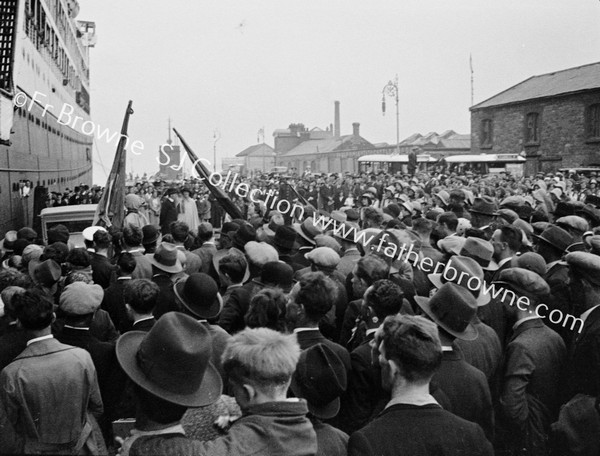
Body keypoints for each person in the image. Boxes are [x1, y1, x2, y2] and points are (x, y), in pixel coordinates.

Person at [121, 326, 317, 456]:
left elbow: (198, 453)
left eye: (234, 389)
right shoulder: (302, 426)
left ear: (248, 392)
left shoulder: (254, 440)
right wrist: (237, 422)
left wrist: (138, 446)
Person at [347, 314, 493, 456]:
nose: (378, 361)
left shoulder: (368, 441)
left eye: (381, 356)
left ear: (392, 369)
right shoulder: (472, 435)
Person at [0, 289, 106, 454]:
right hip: (80, 447)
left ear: (19, 323)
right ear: (54, 318)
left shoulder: (12, 373)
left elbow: (11, 424)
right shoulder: (81, 357)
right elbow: (97, 407)